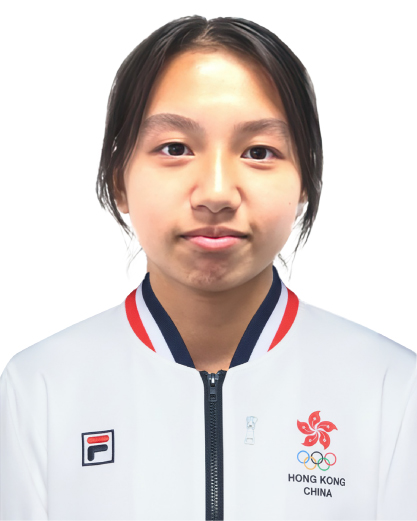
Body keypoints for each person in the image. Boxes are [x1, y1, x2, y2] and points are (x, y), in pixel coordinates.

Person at [1, 15, 416, 521]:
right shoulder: (38, 388)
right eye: (175, 148)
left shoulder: (393, 389)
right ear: (118, 180)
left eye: (259, 152)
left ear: (305, 179)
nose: (217, 193)